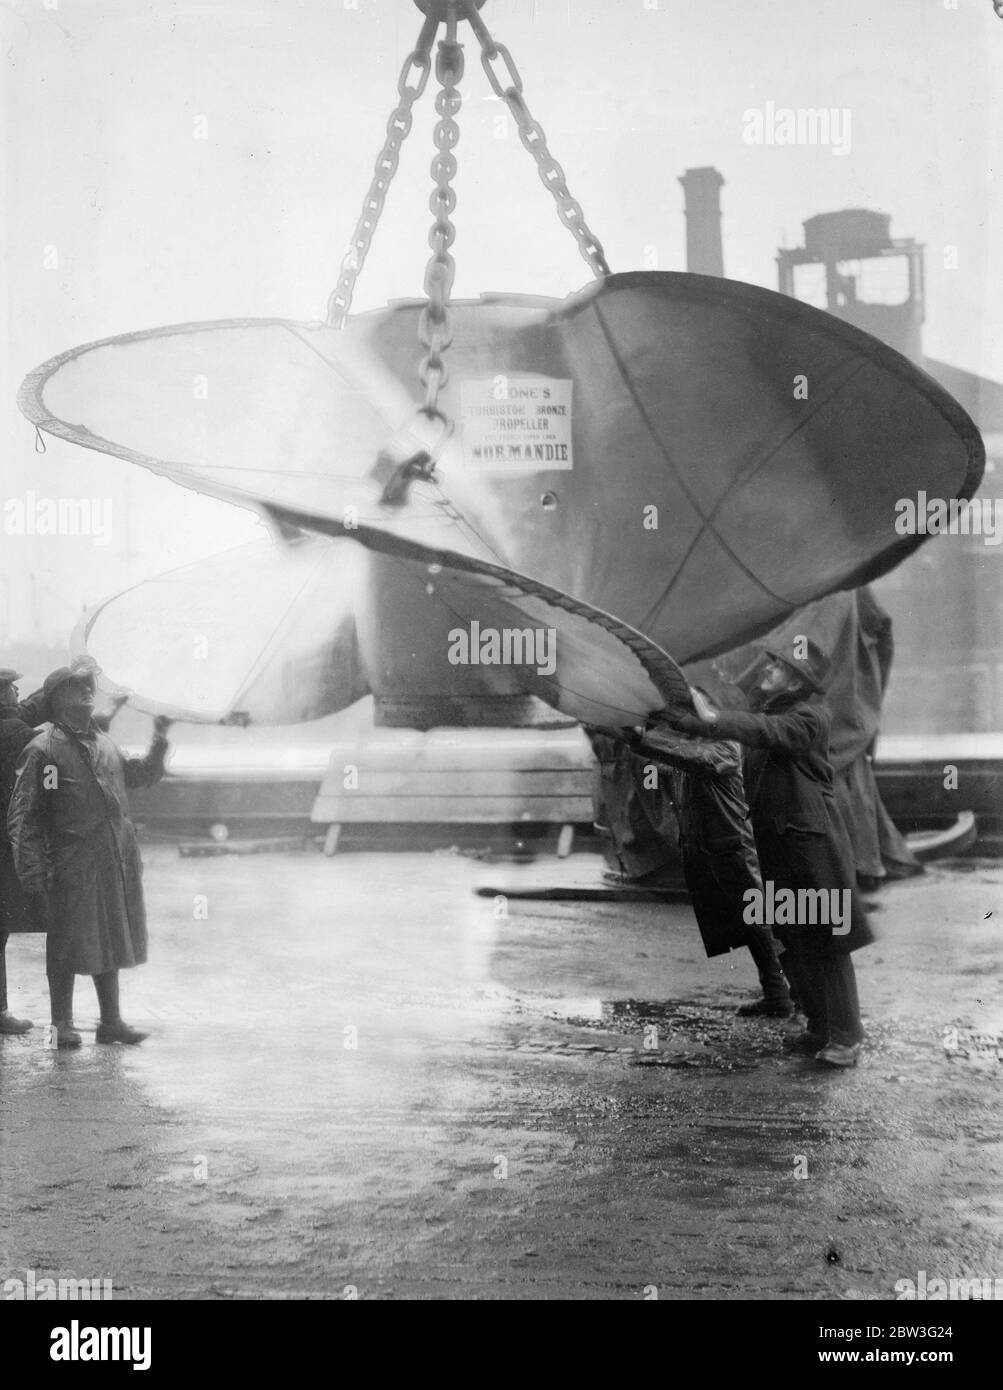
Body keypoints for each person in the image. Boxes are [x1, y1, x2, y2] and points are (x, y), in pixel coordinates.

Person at [633, 638, 874, 1068]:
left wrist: (712, 717)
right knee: (798, 940)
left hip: (813, 849)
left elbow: (764, 732)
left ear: (797, 680)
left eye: (777, 667)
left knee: (829, 944)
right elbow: (746, 730)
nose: (767, 671)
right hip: (784, 848)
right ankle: (819, 1026)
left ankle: (848, 1036)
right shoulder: (774, 715)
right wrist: (684, 720)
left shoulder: (809, 717)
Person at [7, 661, 171, 1048]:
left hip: (111, 863)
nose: (86, 690)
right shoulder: (46, 751)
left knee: (110, 937)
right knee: (64, 945)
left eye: (88, 684)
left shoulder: (104, 744)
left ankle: (110, 1022)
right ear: (58, 699)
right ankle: (59, 1025)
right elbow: (28, 815)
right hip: (69, 866)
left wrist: (160, 740)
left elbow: (139, 775)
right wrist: (34, 873)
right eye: (76, 685)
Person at [594, 718, 792, 1017]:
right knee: (749, 924)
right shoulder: (699, 749)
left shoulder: (724, 748)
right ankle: (777, 993)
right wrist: (625, 734)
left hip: (732, 846)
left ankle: (797, 998)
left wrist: (641, 737)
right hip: (713, 846)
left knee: (761, 922)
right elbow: (665, 761)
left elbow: (687, 757)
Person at [0, 669, 42, 1033]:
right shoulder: (16, 733)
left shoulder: (11, 724)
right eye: (12, 688)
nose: (18, 692)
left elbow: (29, 707)